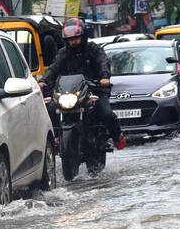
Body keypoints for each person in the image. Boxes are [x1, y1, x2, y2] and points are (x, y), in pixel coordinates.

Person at [41, 17, 122, 148]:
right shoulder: (63, 53)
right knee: (51, 107)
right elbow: (53, 68)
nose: (73, 41)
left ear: (83, 36)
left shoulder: (93, 49)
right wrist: (43, 81)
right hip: (69, 92)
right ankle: (56, 137)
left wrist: (104, 77)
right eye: (70, 39)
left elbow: (103, 62)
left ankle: (117, 137)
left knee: (106, 113)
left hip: (93, 89)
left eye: (76, 38)